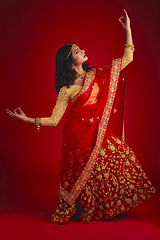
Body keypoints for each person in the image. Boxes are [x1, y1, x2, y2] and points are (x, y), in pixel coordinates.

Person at [6, 9, 156, 224]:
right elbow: (55, 119)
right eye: (77, 50)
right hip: (79, 139)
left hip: (99, 132)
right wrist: (28, 119)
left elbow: (128, 57)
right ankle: (85, 206)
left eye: (80, 48)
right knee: (80, 173)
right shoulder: (66, 89)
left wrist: (128, 30)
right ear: (69, 60)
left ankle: (105, 206)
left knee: (120, 156)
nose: (83, 50)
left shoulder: (97, 74)